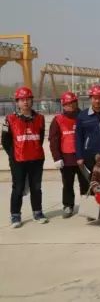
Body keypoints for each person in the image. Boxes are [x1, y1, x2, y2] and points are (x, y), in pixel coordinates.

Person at [2, 87, 48, 228]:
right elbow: (5, 141)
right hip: (18, 160)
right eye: (22, 100)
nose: (25, 102)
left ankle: (38, 212)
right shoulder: (9, 119)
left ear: (32, 101)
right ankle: (15, 215)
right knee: (18, 187)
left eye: (28, 99)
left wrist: (34, 150)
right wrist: (14, 156)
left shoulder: (40, 118)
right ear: (17, 102)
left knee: (36, 187)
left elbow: (40, 138)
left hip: (36, 159)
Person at [49, 91, 85, 218]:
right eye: (68, 104)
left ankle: (87, 206)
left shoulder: (84, 116)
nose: (71, 106)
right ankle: (68, 205)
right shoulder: (58, 120)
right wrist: (57, 157)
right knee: (67, 184)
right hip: (66, 158)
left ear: (76, 103)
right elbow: (53, 140)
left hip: (83, 157)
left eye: (73, 103)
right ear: (63, 105)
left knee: (85, 183)